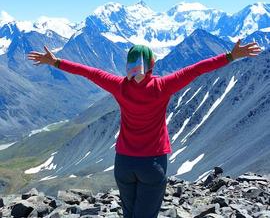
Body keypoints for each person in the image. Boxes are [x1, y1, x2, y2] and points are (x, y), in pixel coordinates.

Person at [27, 39, 261, 218]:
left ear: (128, 64)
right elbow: (197, 69)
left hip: (124, 164)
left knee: (129, 214)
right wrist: (230, 56)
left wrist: (55, 62)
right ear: (151, 65)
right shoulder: (163, 85)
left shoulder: (119, 86)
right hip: (153, 164)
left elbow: (87, 72)